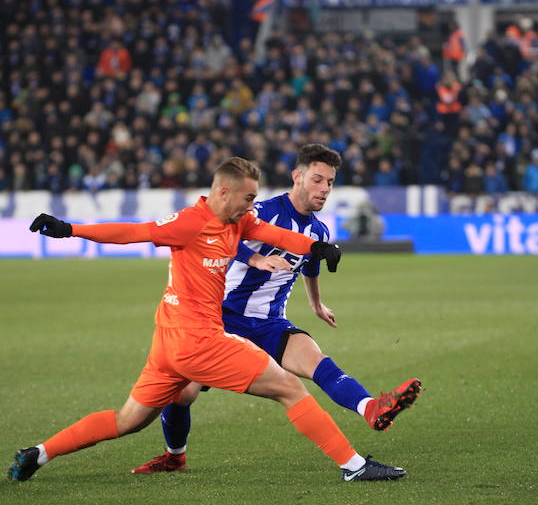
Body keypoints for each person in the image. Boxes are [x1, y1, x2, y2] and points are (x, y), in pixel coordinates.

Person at [8, 157, 408, 484]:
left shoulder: (240, 221)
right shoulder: (189, 223)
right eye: (247, 197)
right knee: (288, 387)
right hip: (199, 340)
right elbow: (134, 232)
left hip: (168, 343)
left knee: (126, 420)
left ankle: (39, 454)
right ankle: (354, 467)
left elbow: (275, 233)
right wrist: (70, 229)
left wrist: (317, 246)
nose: (252, 205)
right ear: (223, 191)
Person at [132, 144, 421, 474]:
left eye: (329, 182)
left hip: (270, 322)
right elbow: (221, 234)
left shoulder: (318, 231)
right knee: (182, 393)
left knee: (317, 361)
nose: (324, 189)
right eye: (317, 180)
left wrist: (315, 303)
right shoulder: (261, 211)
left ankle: (371, 408)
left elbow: (310, 266)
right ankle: (175, 455)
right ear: (297, 177)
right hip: (223, 317)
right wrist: (256, 258)